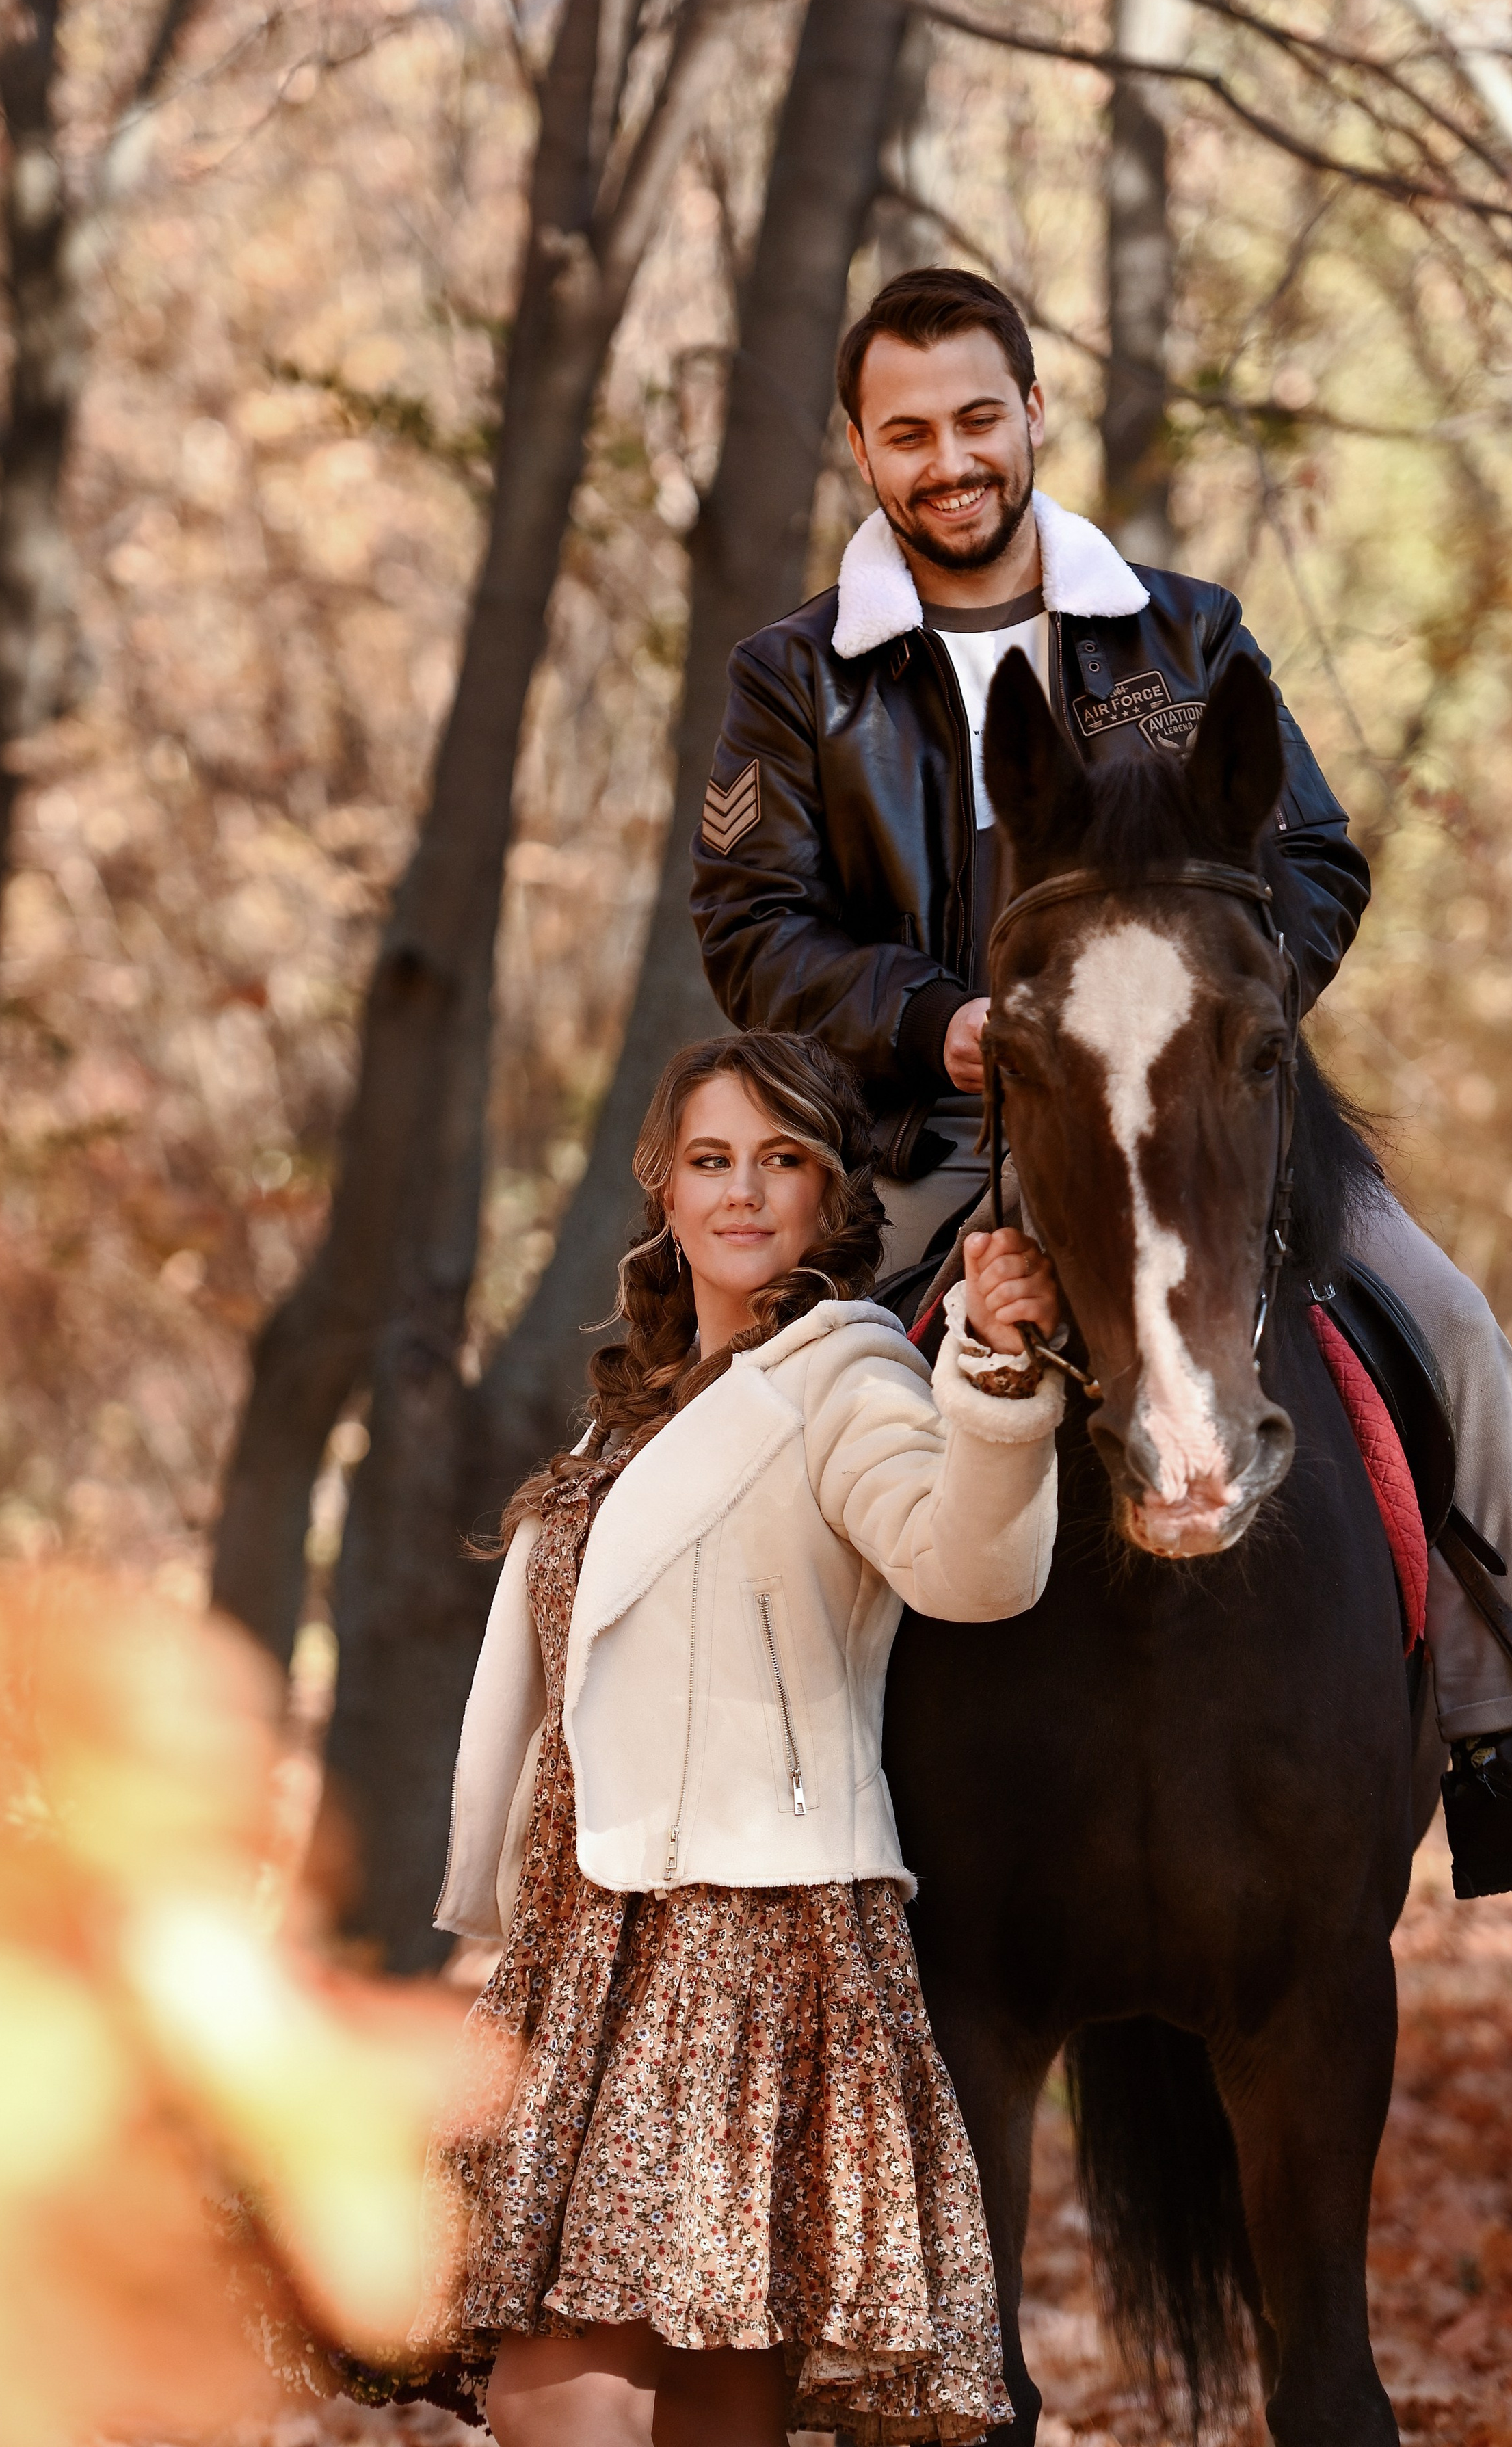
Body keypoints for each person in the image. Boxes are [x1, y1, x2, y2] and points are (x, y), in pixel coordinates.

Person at [689, 264, 1512, 1893]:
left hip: (1199, 1119)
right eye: (904, 434)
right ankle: (750, 1826)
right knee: (755, 1422)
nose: (946, 460)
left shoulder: (1182, 631)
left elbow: (1309, 856)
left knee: (1445, 1323)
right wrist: (928, 1018)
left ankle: (1503, 1730)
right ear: (861, 457)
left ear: (1032, 414)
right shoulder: (791, 681)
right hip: (922, 1130)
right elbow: (748, 928)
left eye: (972, 418)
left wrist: (1201, 1022)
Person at [412, 1029, 1063, 2446]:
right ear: (661, 1188)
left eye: (783, 1162)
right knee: (690, 2397)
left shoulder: (845, 1381)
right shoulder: (626, 1414)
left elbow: (969, 1567)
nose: (742, 1194)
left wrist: (999, 1385)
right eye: (709, 1161)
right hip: (589, 1949)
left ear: (834, 1199)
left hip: (754, 1944)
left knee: (564, 2393)